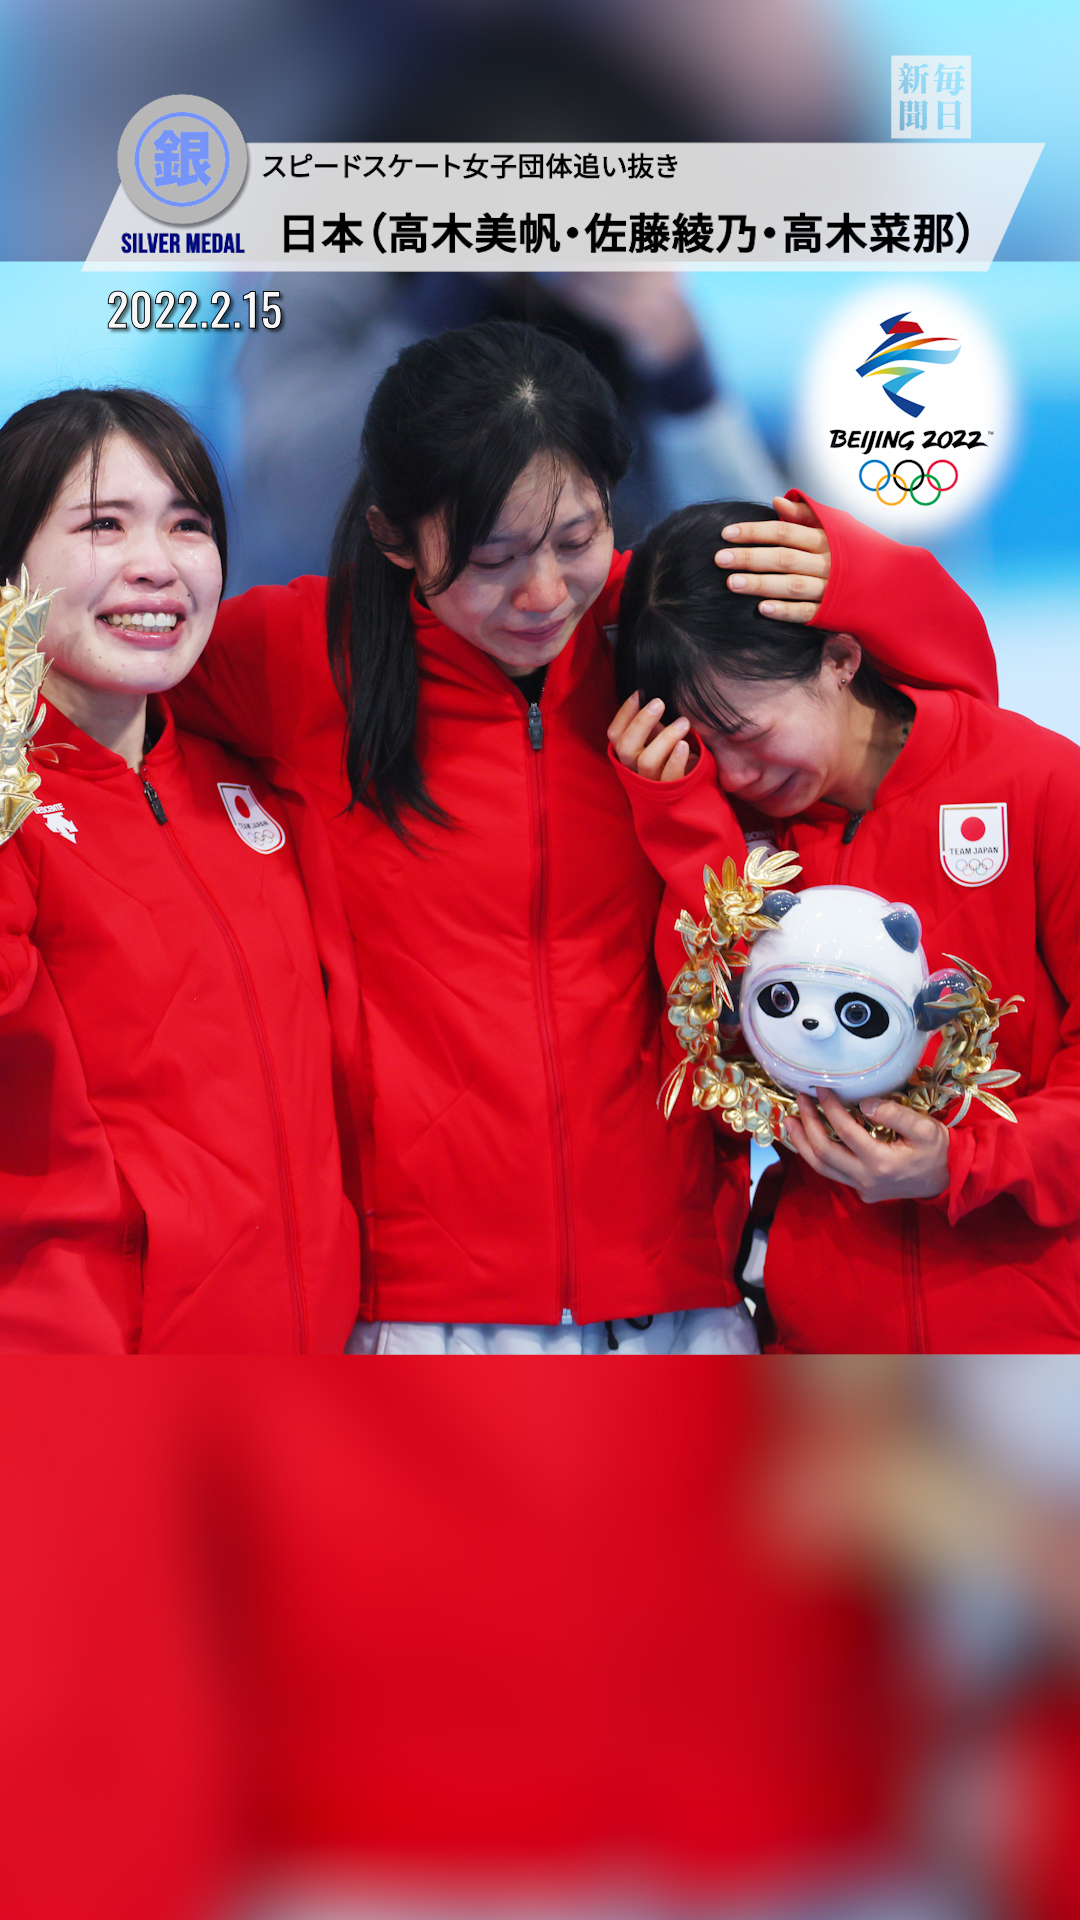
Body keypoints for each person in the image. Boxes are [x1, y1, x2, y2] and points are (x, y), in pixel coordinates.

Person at [174, 321, 989, 1354]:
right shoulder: (302, 655)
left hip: (676, 1293)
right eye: (491, 558)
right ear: (393, 535)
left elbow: (955, 715)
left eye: (576, 539)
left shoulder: (661, 628)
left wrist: (865, 575)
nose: (544, 595)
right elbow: (79, 693)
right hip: (424, 1309)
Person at [609, 494, 1080, 1353]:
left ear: (839, 658)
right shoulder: (744, 842)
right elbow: (719, 1090)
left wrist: (964, 1163)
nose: (738, 774)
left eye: (748, 732)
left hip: (1035, 1340)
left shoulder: (1040, 784)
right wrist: (687, 829)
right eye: (708, 751)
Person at [0, 388, 362, 1352]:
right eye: (102, 525)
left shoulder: (255, 781)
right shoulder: (12, 812)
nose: (156, 563)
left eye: (188, 524)